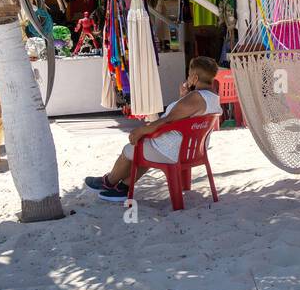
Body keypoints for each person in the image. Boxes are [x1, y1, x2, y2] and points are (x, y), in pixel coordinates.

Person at [84, 56, 221, 202]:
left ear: (194, 77)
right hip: (193, 150)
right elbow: (184, 117)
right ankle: (123, 187)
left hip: (174, 150)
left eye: (189, 75)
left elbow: (166, 121)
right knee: (148, 147)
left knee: (130, 149)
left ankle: (108, 182)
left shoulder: (195, 97)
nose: (187, 77)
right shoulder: (212, 97)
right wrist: (183, 96)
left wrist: (142, 130)